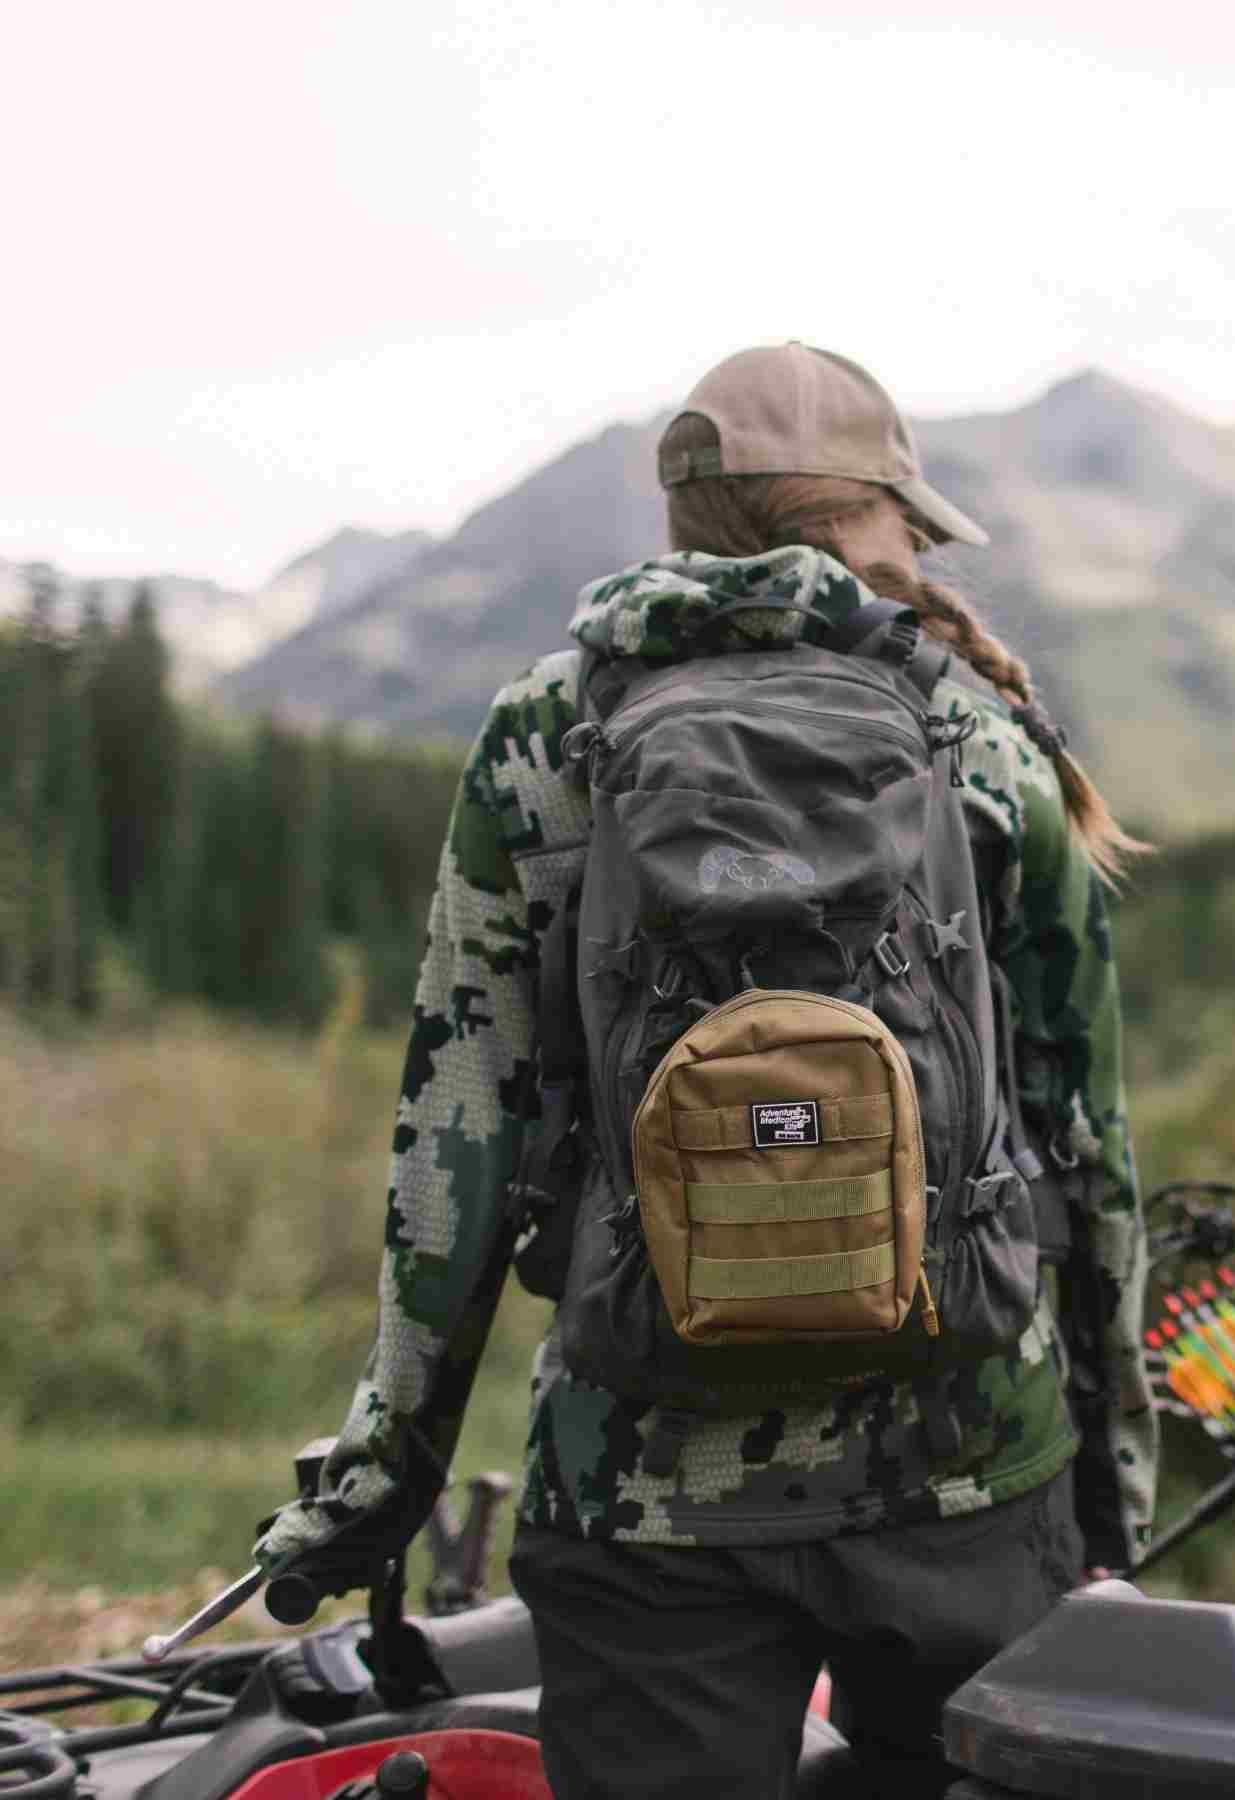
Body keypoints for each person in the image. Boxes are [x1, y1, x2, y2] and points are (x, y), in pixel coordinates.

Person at [254, 342, 1158, 1796]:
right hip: (973, 1470)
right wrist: (1114, 1491)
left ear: (690, 519)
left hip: (643, 1482)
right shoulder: (979, 736)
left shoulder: (548, 734)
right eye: (906, 524)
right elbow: (1088, 1148)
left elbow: (459, 1138)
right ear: (867, 520)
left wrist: (385, 1481)